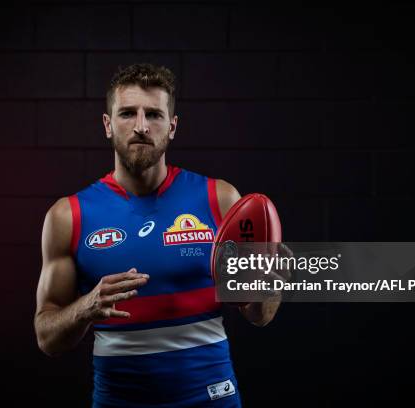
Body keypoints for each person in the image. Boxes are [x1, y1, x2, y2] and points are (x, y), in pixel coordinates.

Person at [34, 63, 283, 407]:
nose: (140, 126)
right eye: (127, 114)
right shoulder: (68, 216)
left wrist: (270, 282)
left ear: (172, 127)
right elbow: (47, 339)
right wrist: (85, 308)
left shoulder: (220, 199)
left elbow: (260, 315)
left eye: (153, 114)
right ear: (107, 125)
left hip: (212, 399)